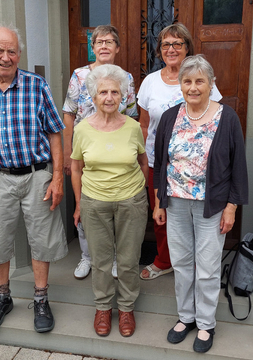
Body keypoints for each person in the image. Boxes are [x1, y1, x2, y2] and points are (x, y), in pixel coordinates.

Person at [0, 25, 68, 334]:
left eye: (11, 51)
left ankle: (40, 298)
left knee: (41, 238)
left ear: (19, 54)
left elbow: (54, 133)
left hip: (36, 175)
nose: (5, 57)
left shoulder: (37, 86)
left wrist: (56, 178)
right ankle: (2, 297)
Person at [153, 55, 248, 352]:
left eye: (199, 81)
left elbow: (238, 166)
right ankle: (186, 317)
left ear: (211, 84)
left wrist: (231, 206)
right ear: (180, 85)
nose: (193, 87)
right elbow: (160, 164)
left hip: (212, 205)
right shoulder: (170, 117)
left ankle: (206, 324)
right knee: (182, 264)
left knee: (206, 267)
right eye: (187, 81)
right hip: (177, 203)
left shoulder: (227, 117)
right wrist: (159, 202)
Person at [137, 23, 222, 280]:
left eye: (177, 44)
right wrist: (140, 159)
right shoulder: (150, 82)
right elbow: (143, 125)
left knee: (198, 221)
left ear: (187, 48)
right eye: (165, 44)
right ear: (159, 50)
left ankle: (196, 265)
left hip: (197, 166)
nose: (171, 49)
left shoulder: (200, 80)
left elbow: (216, 118)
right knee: (161, 215)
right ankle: (165, 261)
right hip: (158, 163)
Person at [70, 64, 148, 337]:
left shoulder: (133, 127)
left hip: (131, 201)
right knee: (101, 260)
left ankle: (126, 308)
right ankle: (103, 307)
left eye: (115, 91)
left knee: (127, 260)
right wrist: (79, 204)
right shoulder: (81, 129)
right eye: (103, 91)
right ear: (93, 96)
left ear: (123, 95)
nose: (109, 97)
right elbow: (77, 168)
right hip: (95, 202)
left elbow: (142, 161)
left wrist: (142, 193)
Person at [63, 25, 138, 280]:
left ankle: (115, 258)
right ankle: (87, 256)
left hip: (116, 149)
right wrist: (67, 152)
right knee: (85, 202)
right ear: (92, 47)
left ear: (117, 47)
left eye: (110, 41)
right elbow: (69, 114)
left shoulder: (126, 77)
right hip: (86, 147)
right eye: (99, 41)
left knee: (115, 205)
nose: (104, 46)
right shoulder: (79, 75)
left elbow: (132, 115)